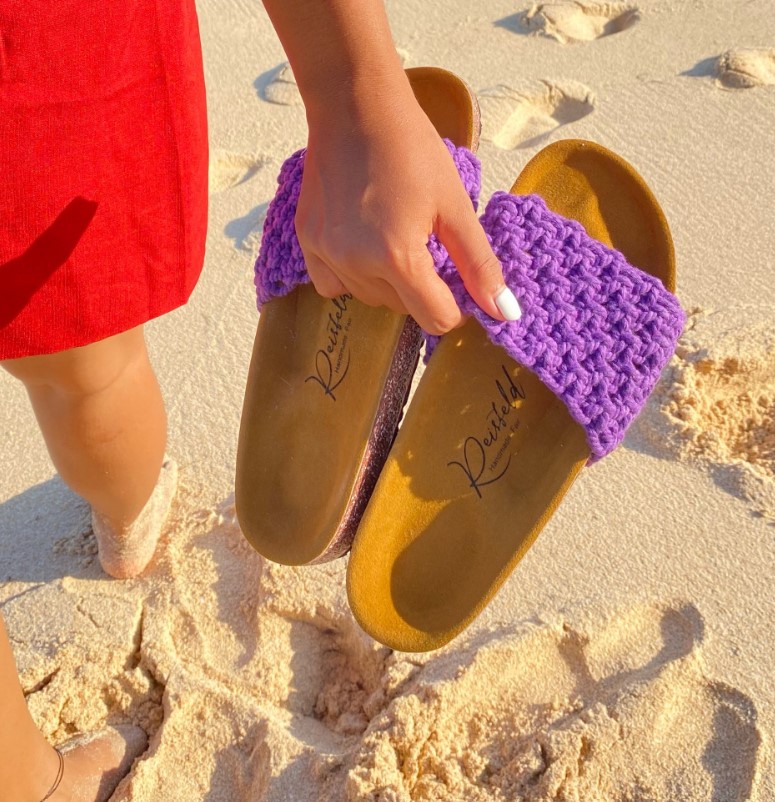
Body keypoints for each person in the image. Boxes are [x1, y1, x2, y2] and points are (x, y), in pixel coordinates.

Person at [0, 1, 518, 799]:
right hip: (39, 75)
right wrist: (353, 92)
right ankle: (128, 517)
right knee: (80, 361)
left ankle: (27, 781)